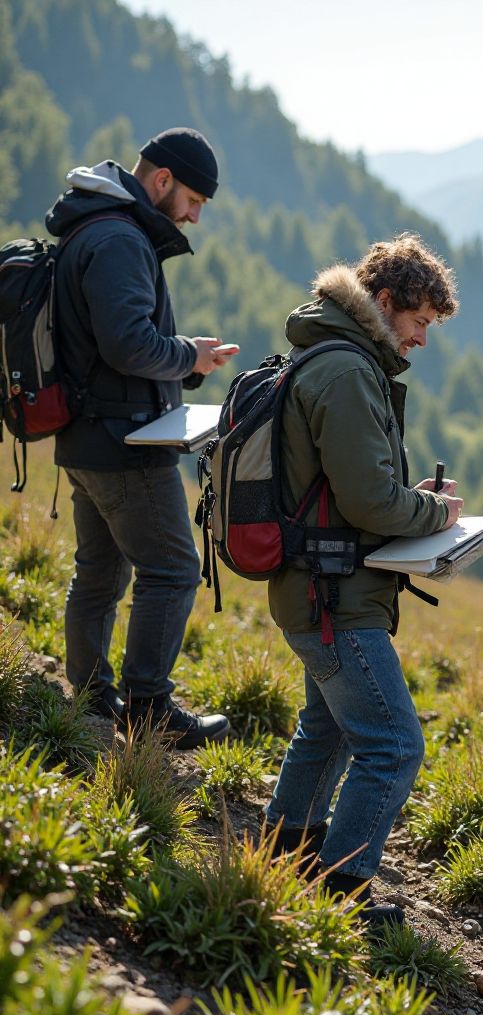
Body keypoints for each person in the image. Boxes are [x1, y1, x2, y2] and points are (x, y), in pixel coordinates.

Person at [263, 233, 463, 923]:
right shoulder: (347, 372)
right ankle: (343, 894)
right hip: (334, 599)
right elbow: (370, 502)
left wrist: (420, 503)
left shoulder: (332, 356)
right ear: (384, 303)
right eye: (418, 323)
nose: (422, 340)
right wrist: (438, 509)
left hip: (317, 588)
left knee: (327, 729)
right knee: (394, 745)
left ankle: (283, 855)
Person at [47, 127, 237, 749]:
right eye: (193, 201)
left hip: (86, 439)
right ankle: (149, 708)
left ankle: (92, 692)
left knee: (100, 570)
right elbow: (129, 343)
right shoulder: (121, 239)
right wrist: (192, 357)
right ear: (161, 181)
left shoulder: (92, 224)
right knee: (174, 570)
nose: (195, 216)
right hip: (127, 444)